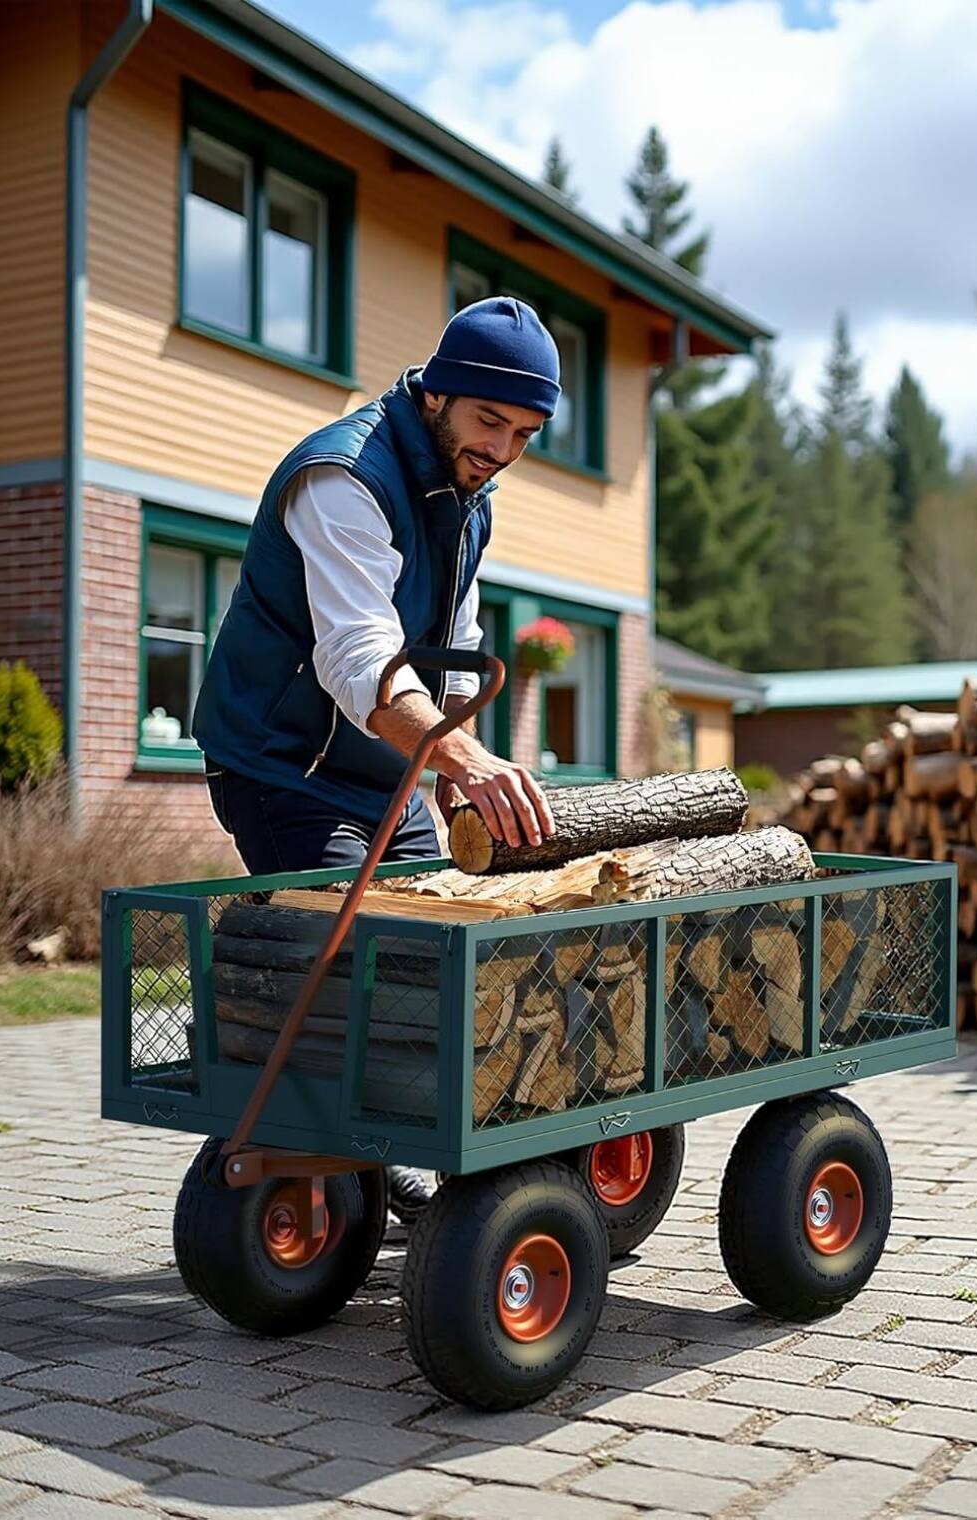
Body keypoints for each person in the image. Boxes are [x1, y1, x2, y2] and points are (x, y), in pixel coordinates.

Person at [192, 298, 559, 1223]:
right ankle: (292, 1142)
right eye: (489, 422)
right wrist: (465, 761)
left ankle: (396, 1143)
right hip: (285, 762)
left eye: (524, 433)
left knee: (439, 948)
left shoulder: (468, 494)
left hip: (383, 768)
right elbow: (360, 660)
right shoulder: (343, 476)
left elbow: (452, 640)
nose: (502, 449)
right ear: (438, 393)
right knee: (359, 963)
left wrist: (464, 772)